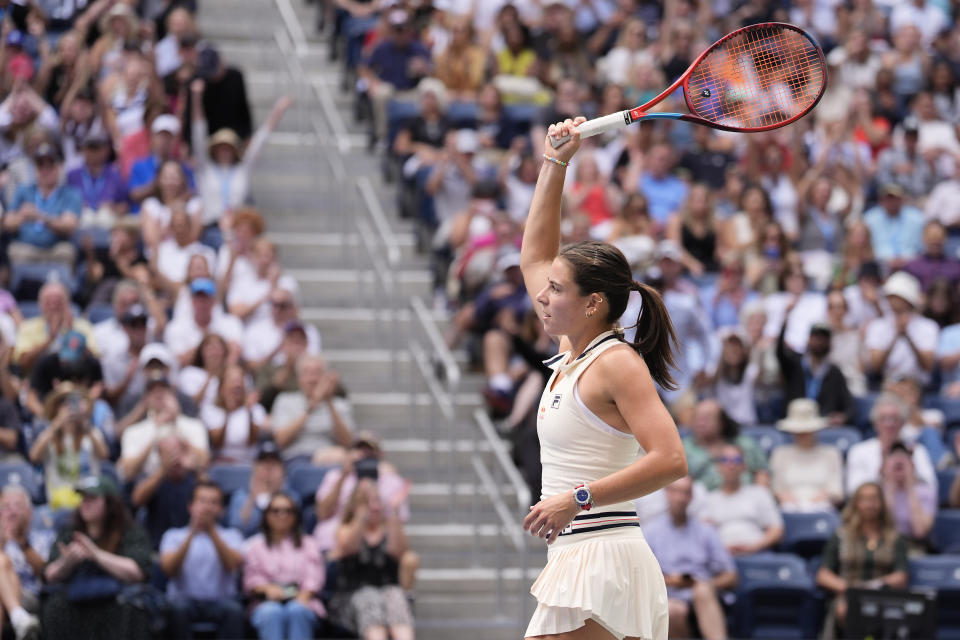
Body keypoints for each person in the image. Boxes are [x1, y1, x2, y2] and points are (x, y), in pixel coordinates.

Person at [519, 118, 687, 640]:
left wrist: (578, 499)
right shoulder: (574, 350)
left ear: (592, 304)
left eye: (557, 290)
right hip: (583, 555)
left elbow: (671, 460)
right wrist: (556, 160)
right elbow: (535, 256)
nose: (542, 296)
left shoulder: (615, 362)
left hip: (603, 553)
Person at [42, 475, 153, 640]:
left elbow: (137, 572)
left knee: (132, 608)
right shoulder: (70, 532)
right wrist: (67, 562)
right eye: (83, 498)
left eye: (92, 498)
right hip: (76, 600)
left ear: (109, 503)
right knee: (55, 607)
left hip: (116, 600)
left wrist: (96, 554)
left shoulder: (130, 532)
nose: (85, 503)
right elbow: (49, 574)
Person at [644, 477, 737, 640]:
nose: (680, 498)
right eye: (676, 492)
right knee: (673, 610)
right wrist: (672, 581)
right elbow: (643, 579)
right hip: (667, 593)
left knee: (702, 591)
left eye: (686, 493)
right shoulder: (650, 531)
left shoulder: (706, 530)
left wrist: (703, 584)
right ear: (667, 493)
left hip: (703, 593)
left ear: (692, 497)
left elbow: (731, 576)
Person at [815, 482, 909, 639]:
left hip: (883, 596)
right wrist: (850, 589)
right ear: (856, 503)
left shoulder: (895, 538)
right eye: (864, 499)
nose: (869, 504)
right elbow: (823, 575)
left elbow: (901, 576)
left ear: (882, 503)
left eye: (874, 499)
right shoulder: (841, 536)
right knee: (845, 609)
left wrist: (875, 586)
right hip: (848, 595)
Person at [328, 480, 415, 640]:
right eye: (368, 502)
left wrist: (394, 512)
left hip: (386, 590)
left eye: (377, 501)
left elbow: (397, 551)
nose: (374, 507)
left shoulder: (389, 527)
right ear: (356, 505)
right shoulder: (345, 528)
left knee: (395, 595)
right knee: (369, 597)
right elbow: (349, 547)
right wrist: (361, 515)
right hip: (353, 594)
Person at [159, 480, 245, 640]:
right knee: (177, 610)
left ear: (221, 509)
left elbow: (232, 565)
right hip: (184, 601)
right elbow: (169, 570)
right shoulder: (173, 535)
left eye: (213, 502)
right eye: (202, 501)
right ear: (190, 506)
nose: (207, 507)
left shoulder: (232, 535)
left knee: (235, 611)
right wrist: (192, 532)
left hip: (221, 602)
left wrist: (211, 530)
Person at [243, 492, 326, 640]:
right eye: (276, 511)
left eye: (288, 511)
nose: (282, 515)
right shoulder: (255, 546)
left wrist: (304, 594)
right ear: (266, 515)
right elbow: (251, 578)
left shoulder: (309, 544)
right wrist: (266, 589)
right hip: (266, 601)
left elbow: (314, 577)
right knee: (271, 612)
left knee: (297, 610)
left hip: (304, 599)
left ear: (295, 516)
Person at [29, 384, 109, 510]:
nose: (70, 408)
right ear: (56, 408)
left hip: (87, 504)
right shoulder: (50, 435)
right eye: (64, 403)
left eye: (73, 402)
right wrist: (57, 423)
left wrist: (84, 421)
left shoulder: (90, 433)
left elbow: (104, 454)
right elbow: (34, 456)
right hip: (57, 506)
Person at [4, 143, 82, 266]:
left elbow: (69, 226)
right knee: (13, 250)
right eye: (41, 165)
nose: (45, 170)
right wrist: (22, 216)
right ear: (35, 169)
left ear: (59, 168)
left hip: (55, 250)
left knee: (66, 251)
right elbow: (8, 222)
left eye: (50, 165)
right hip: (26, 249)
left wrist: (40, 217)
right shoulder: (24, 190)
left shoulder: (70, 194)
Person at [700, 443, 784, 555]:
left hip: (758, 554)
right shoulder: (708, 499)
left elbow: (776, 531)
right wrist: (722, 549)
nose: (731, 465)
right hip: (722, 558)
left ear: (744, 466)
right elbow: (703, 535)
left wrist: (754, 547)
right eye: (725, 460)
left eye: (737, 460)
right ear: (717, 466)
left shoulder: (759, 494)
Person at [845, 393, 937, 495]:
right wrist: (881, 474)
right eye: (883, 419)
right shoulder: (859, 451)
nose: (889, 424)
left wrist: (910, 475)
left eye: (894, 419)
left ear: (903, 422)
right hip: (874, 509)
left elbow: (931, 488)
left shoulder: (917, 450)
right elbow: (853, 491)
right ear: (875, 423)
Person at [271, 355, 354, 467]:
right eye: (307, 373)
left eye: (317, 373)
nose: (312, 379)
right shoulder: (285, 400)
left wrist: (329, 403)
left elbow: (348, 442)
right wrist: (311, 406)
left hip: (332, 458)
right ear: (299, 378)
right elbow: (281, 441)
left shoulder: (340, 404)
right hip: (295, 458)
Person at [776, 315, 854, 426]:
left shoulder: (834, 372)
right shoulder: (795, 365)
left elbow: (849, 406)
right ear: (808, 339)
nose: (820, 342)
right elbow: (780, 353)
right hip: (795, 422)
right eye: (816, 337)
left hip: (823, 425)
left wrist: (843, 417)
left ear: (829, 342)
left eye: (824, 338)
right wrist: (785, 321)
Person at [864, 271, 938, 386]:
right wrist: (895, 335)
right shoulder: (877, 325)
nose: (894, 300)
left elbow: (928, 366)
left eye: (898, 296)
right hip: (888, 385)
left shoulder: (928, 326)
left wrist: (907, 335)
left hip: (918, 386)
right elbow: (875, 367)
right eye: (891, 296)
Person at [769, 399, 844, 512]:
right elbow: (775, 488)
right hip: (788, 508)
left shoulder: (831, 453)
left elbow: (837, 490)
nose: (802, 435)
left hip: (822, 507)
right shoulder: (780, 453)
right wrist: (787, 499)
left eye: (807, 431)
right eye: (798, 431)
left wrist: (822, 499)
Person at [683, 399, 768, 492]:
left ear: (721, 422)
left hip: (745, 499)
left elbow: (761, 472)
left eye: (706, 419)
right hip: (702, 501)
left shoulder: (744, 444)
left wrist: (758, 497)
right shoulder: (684, 449)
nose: (700, 423)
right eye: (696, 418)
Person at [0, 486, 47, 639]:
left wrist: (22, 543)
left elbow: (44, 571)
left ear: (30, 513)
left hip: (28, 594)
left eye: (18, 506)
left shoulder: (40, 538)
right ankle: (18, 617)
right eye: (6, 507)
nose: (12, 511)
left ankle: (17, 614)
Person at [227, 441, 293, 537]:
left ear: (282, 469)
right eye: (263, 463)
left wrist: (276, 494)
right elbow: (238, 530)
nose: (268, 468)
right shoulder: (241, 496)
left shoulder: (291, 496)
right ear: (254, 468)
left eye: (274, 464)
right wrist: (252, 498)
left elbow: (293, 529)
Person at [880, 441, 936, 546]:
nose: (899, 457)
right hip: (883, 546)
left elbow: (920, 532)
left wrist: (910, 489)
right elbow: (881, 529)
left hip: (913, 546)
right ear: (884, 466)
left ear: (912, 465)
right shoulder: (876, 491)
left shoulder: (926, 491)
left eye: (904, 457)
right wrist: (890, 489)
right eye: (893, 456)